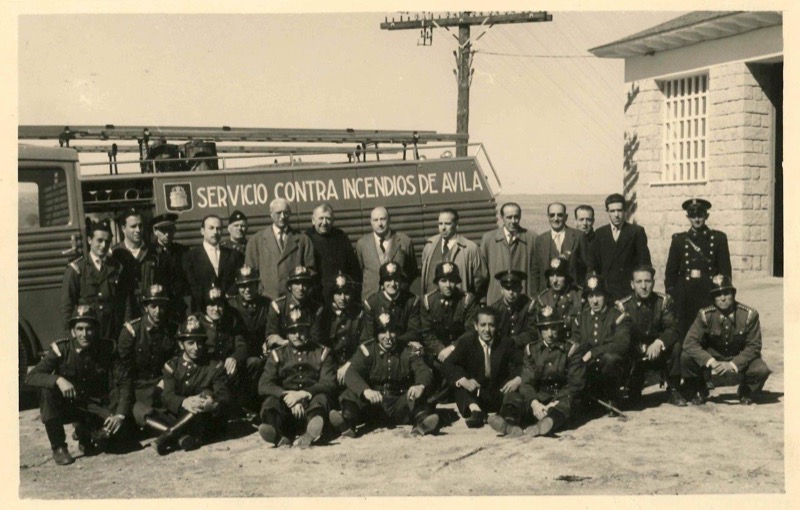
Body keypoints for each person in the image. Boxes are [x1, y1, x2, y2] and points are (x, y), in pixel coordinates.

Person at [26, 305, 127, 465]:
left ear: (96, 330)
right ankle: (59, 447)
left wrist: (119, 414)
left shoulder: (107, 348)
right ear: (73, 331)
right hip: (71, 405)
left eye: (89, 329)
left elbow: (124, 382)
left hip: (96, 407)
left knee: (116, 443)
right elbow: (31, 376)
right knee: (47, 392)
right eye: (79, 329)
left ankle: (86, 433)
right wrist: (58, 380)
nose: (84, 334)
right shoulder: (62, 350)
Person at [330, 313, 439, 438]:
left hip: (399, 403)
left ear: (397, 333)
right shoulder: (366, 350)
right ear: (376, 335)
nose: (388, 337)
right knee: (351, 393)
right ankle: (348, 423)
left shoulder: (410, 350)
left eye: (392, 331)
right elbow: (351, 372)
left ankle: (422, 422)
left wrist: (420, 385)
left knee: (418, 394)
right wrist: (366, 391)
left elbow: (423, 370)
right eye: (383, 332)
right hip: (374, 406)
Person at [139, 315, 231, 455]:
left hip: (203, 420)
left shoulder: (214, 366)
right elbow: (167, 396)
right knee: (140, 410)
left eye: (199, 343)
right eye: (190, 343)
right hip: (178, 416)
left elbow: (224, 397)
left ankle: (167, 435)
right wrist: (183, 402)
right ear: (181, 345)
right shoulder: (172, 366)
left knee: (203, 398)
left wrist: (212, 405)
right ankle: (181, 438)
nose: (196, 348)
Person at [488, 306, 585, 438]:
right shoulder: (532, 350)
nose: (549, 333)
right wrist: (534, 403)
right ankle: (510, 424)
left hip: (560, 397)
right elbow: (526, 382)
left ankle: (547, 423)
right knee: (512, 397)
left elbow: (575, 383)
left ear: (559, 327)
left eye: (553, 328)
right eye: (545, 328)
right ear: (539, 330)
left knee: (568, 402)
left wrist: (554, 403)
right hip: (539, 398)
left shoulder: (572, 349)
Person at [680, 275, 771, 406]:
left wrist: (733, 364)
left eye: (726, 293)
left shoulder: (749, 315)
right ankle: (699, 388)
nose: (722, 298)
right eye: (718, 295)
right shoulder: (705, 315)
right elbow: (689, 342)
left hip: (739, 355)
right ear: (713, 298)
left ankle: (746, 390)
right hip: (713, 355)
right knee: (686, 357)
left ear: (733, 294)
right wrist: (710, 361)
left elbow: (754, 345)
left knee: (761, 369)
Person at [258, 308, 337, 448]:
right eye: (292, 331)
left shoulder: (322, 352)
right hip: (286, 407)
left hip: (310, 404)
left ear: (308, 330)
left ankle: (311, 432)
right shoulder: (277, 354)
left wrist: (303, 394)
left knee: (321, 399)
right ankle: (276, 434)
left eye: (302, 331)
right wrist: (286, 396)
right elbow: (264, 385)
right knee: (271, 402)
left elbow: (329, 383)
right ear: (286, 333)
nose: (297, 335)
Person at [440, 307, 522, 428]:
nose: (487, 330)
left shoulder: (506, 343)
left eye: (491, 325)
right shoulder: (467, 342)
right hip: (476, 394)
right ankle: (476, 412)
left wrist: (517, 379)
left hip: (499, 393)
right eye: (483, 325)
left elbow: (524, 363)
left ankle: (508, 416)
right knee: (459, 386)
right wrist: (463, 380)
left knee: (516, 392)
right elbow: (447, 364)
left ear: (497, 326)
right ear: (476, 326)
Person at [115, 284, 180, 433]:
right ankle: (172, 433)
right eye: (153, 306)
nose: (158, 311)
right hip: (137, 387)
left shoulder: (172, 329)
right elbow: (123, 368)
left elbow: (177, 361)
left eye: (162, 306)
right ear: (145, 307)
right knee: (140, 411)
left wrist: (165, 380)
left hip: (162, 384)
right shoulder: (132, 331)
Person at [618, 265, 685, 407]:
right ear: (632, 284)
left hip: (658, 352)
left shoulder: (663, 301)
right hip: (635, 353)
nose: (644, 286)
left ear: (653, 283)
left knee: (676, 346)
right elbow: (622, 334)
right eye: (639, 282)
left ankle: (673, 389)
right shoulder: (623, 306)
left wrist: (659, 342)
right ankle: (632, 388)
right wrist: (639, 346)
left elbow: (672, 328)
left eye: (647, 281)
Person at [665, 198, 732, 337]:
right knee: (685, 333)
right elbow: (671, 273)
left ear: (707, 216)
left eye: (700, 215)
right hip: (685, 296)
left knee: (711, 332)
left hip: (709, 293)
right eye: (693, 215)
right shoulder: (679, 240)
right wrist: (673, 296)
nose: (696, 219)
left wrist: (722, 293)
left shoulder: (718, 239)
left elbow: (725, 271)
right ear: (687, 217)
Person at [60, 219, 134, 341]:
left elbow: (125, 301)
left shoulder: (117, 268)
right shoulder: (77, 269)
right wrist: (72, 334)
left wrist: (127, 328)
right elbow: (67, 306)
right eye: (99, 240)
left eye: (107, 241)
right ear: (90, 240)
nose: (104, 245)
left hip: (112, 331)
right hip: (87, 332)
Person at [571, 273, 631, 415]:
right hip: (589, 368)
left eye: (598, 295)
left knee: (611, 358)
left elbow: (622, 344)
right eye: (591, 296)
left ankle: (612, 397)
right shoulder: (581, 319)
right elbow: (575, 343)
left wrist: (594, 352)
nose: (595, 301)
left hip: (612, 368)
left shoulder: (617, 316)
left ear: (605, 296)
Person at [200, 285, 261, 412]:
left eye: (220, 305)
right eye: (212, 305)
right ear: (205, 307)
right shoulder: (198, 323)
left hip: (228, 367)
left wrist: (234, 357)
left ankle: (245, 405)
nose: (216, 309)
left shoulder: (231, 320)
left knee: (254, 363)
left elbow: (242, 344)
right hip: (206, 369)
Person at [245, 198, 316, 300]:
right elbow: (250, 274)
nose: (282, 217)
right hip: (267, 300)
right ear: (271, 214)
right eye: (278, 213)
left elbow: (311, 271)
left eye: (286, 213)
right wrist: (261, 294)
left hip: (294, 300)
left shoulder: (303, 240)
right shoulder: (256, 240)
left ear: (290, 214)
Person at [589, 194, 651, 301]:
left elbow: (644, 263)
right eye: (612, 211)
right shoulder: (599, 234)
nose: (616, 215)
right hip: (606, 292)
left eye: (619, 210)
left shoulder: (636, 232)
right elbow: (594, 265)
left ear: (625, 211)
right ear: (607, 212)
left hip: (628, 292)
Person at [480, 202, 538, 305]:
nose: (513, 221)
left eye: (516, 217)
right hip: (496, 299)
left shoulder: (532, 238)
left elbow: (536, 272)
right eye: (509, 217)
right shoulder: (489, 239)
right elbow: (482, 274)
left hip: (523, 300)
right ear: (502, 217)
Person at [183, 215, 243, 311]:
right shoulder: (190, 256)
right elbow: (191, 284)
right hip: (201, 309)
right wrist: (208, 295)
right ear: (202, 231)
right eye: (211, 228)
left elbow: (238, 281)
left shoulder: (234, 255)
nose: (215, 232)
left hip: (228, 309)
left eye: (218, 229)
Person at [355, 207, 418, 299]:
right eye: (375, 220)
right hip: (371, 298)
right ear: (371, 222)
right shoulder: (362, 244)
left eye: (383, 219)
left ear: (389, 220)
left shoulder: (404, 241)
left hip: (398, 298)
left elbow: (412, 271)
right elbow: (357, 274)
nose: (379, 224)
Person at [420, 208, 487, 295]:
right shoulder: (429, 246)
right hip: (433, 301)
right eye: (440, 224)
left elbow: (480, 278)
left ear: (457, 225)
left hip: (459, 301)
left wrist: (467, 298)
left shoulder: (470, 248)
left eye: (447, 224)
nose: (443, 228)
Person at [420, 262, 478, 362]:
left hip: (461, 351)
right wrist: (441, 350)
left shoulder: (467, 300)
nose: (448, 285)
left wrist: (452, 348)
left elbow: (471, 331)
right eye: (443, 281)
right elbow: (427, 334)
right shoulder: (428, 301)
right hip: (438, 354)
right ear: (437, 282)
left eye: (452, 280)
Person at [305, 203, 361, 306]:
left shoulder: (341, 236)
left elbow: (353, 268)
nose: (324, 222)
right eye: (321, 218)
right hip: (316, 296)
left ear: (333, 220)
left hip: (339, 295)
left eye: (328, 219)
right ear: (313, 220)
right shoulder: (306, 238)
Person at [361, 262, 421, 346]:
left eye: (396, 279)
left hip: (402, 346)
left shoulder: (411, 301)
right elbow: (369, 336)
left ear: (401, 281)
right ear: (382, 282)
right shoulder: (372, 303)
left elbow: (414, 332)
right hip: (379, 348)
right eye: (388, 280)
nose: (392, 284)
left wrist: (394, 341)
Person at [319, 272, 365, 384]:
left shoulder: (359, 314)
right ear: (332, 295)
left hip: (353, 364)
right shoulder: (324, 314)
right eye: (338, 293)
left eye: (347, 293)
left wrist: (350, 364)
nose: (343, 298)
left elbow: (364, 344)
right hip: (329, 366)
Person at [265, 266, 324, 350]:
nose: (301, 288)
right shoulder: (278, 306)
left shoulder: (316, 309)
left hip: (308, 353)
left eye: (304, 283)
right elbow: (271, 338)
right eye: (297, 283)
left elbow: (315, 340)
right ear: (290, 286)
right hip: (283, 353)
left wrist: (284, 342)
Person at [533, 203, 587, 292]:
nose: (556, 219)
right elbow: (535, 271)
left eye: (560, 215)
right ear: (548, 217)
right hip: (547, 294)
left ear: (566, 217)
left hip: (572, 293)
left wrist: (581, 292)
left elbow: (585, 267)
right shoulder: (541, 239)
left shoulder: (578, 236)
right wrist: (536, 295)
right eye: (552, 215)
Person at [149, 213, 189, 322]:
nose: (167, 234)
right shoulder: (150, 253)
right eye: (163, 230)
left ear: (174, 230)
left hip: (179, 306)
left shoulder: (183, 251)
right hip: (159, 306)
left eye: (170, 230)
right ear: (155, 231)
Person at [531, 257, 583, 336]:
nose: (555, 280)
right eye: (551, 275)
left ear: (567, 277)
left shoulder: (578, 295)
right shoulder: (543, 299)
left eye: (559, 275)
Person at [227, 265, 270, 361]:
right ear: (237, 287)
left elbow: (271, 329)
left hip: (262, 354)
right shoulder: (231, 305)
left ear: (256, 285)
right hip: (237, 356)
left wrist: (268, 344)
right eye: (243, 286)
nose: (247, 289)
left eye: (251, 284)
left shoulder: (266, 304)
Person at [489, 270, 537, 349]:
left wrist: (511, 342)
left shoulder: (528, 306)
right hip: (501, 349)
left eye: (514, 288)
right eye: (507, 288)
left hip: (522, 349)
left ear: (520, 289)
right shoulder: (495, 308)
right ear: (502, 290)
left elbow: (532, 333)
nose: (511, 292)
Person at [573, 205, 596, 284]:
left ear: (593, 221)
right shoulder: (569, 240)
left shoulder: (599, 240)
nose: (584, 223)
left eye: (588, 220)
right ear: (575, 221)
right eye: (581, 219)